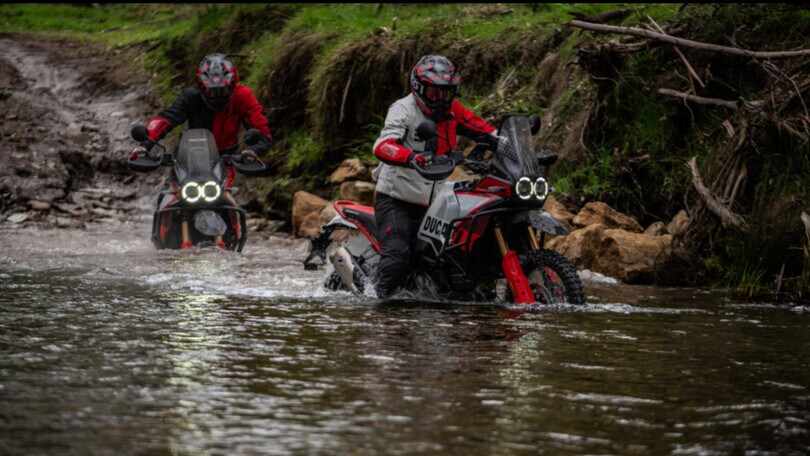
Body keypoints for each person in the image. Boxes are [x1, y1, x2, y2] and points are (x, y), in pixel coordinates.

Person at [370, 54, 499, 298]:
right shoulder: (402, 109)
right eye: (433, 92)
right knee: (397, 256)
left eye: (447, 93)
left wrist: (506, 141)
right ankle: (375, 304)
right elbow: (383, 145)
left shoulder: (454, 111)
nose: (441, 100)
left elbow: (484, 130)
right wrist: (412, 157)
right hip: (396, 198)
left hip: (436, 200)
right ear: (418, 88)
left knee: (454, 256)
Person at [130, 53, 274, 189]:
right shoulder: (191, 96)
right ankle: (162, 214)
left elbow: (262, 132)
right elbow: (167, 118)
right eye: (211, 91)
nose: (217, 97)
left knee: (228, 204)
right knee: (169, 196)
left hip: (224, 160)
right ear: (201, 87)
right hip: (188, 158)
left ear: (232, 85)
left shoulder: (243, 96)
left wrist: (251, 151)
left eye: (222, 91)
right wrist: (144, 145)